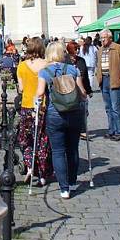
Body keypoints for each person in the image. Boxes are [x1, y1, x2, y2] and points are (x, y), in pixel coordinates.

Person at [36, 40, 87, 199]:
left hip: (55, 114)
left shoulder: (45, 72)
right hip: (74, 113)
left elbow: (39, 93)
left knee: (58, 151)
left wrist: (36, 104)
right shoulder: (73, 69)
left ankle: (64, 188)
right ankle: (72, 179)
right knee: (73, 148)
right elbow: (83, 93)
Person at [16, 37, 53, 186]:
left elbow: (21, 88)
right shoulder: (47, 65)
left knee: (25, 139)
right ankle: (43, 174)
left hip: (26, 106)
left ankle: (30, 165)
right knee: (42, 140)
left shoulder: (22, 66)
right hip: (42, 107)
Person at [96, 28, 120, 140]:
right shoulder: (100, 49)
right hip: (104, 81)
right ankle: (111, 130)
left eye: (104, 38)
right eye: (101, 38)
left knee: (116, 107)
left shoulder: (117, 48)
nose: (102, 40)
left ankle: (119, 131)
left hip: (114, 80)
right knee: (108, 107)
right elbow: (99, 65)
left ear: (110, 38)